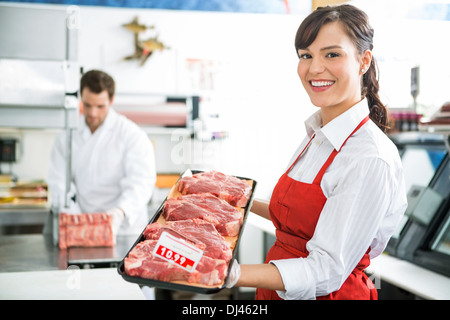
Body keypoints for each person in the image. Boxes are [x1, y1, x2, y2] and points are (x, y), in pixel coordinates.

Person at [226, 5, 407, 300]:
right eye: (306, 55)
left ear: (364, 61)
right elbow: (297, 217)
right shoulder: (318, 135)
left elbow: (325, 270)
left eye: (332, 54)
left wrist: (230, 274)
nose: (314, 68)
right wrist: (234, 200)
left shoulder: (369, 157)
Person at [47, 70, 156, 236]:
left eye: (100, 106)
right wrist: (75, 220)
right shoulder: (66, 136)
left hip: (123, 230)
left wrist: (119, 212)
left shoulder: (132, 135)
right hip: (81, 226)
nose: (92, 113)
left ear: (111, 101)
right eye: (87, 105)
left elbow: (141, 182)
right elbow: (59, 182)